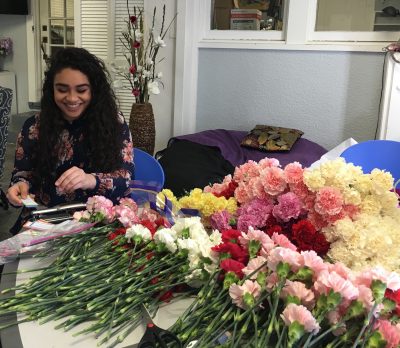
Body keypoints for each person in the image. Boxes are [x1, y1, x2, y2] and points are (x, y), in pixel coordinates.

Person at [6, 47, 135, 233]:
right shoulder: (34, 127)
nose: (72, 98)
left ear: (94, 90)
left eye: (81, 90)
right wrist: (20, 186)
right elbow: (24, 173)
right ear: (52, 90)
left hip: (100, 220)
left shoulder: (114, 123)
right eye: (62, 89)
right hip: (46, 220)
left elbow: (127, 179)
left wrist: (90, 180)